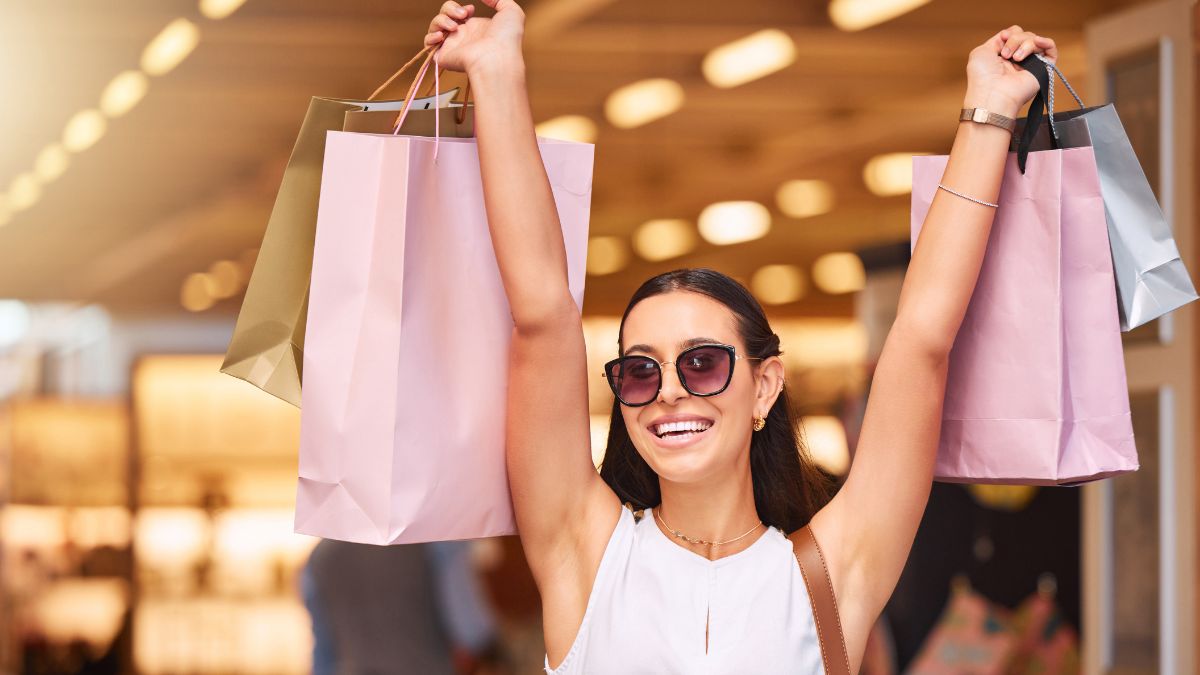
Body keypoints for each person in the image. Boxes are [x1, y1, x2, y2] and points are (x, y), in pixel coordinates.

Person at [423, 1, 1057, 672]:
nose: (667, 392)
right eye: (640, 371)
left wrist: (989, 108)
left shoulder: (831, 573)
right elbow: (543, 315)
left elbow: (923, 339)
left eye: (700, 363)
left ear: (764, 385)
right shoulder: (586, 554)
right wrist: (496, 74)